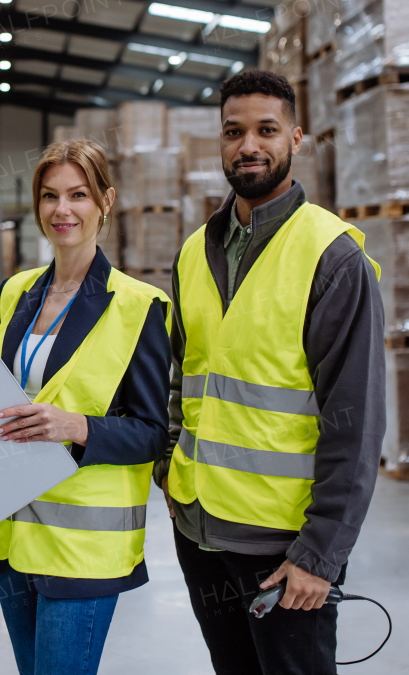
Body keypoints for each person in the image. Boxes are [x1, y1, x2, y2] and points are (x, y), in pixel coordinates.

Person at [158, 69, 386, 675]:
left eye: (266, 130)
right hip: (201, 530)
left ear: (297, 138)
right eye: (234, 132)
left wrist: (321, 553)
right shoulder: (194, 250)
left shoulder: (333, 257)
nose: (248, 146)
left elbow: (356, 423)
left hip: (283, 546)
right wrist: (170, 465)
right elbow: (182, 375)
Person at [0, 140, 172, 675]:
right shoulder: (18, 292)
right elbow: (1, 415)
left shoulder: (140, 306)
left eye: (78, 195)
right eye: (50, 196)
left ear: (105, 201)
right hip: (14, 539)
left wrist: (77, 426)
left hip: (82, 550)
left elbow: (154, 433)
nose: (62, 210)